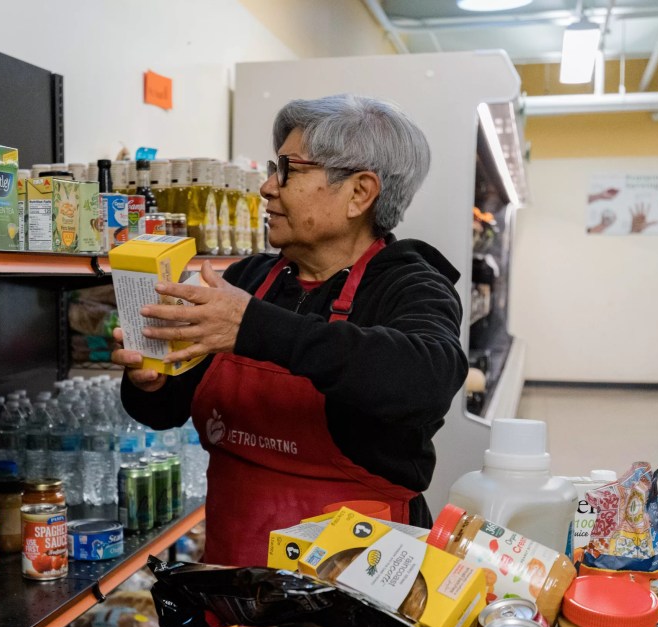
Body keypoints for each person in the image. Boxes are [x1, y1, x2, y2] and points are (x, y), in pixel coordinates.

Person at [112, 94, 467, 566]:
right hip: (235, 578)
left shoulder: (408, 284)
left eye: (288, 170)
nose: (266, 187)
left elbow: (427, 377)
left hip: (358, 593)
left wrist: (253, 327)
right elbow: (163, 411)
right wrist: (150, 380)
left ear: (359, 193)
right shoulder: (248, 280)